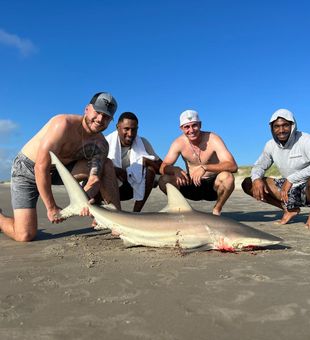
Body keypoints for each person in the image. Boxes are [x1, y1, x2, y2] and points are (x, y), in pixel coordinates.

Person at [0, 92, 121, 242]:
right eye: (97, 112)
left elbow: (94, 178)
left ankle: (117, 220)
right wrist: (51, 208)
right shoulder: (63, 125)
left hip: (60, 170)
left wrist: (85, 200)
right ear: (87, 109)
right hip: (28, 171)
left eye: (106, 116)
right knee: (25, 235)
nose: (100, 119)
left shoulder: (101, 145)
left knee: (107, 165)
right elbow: (40, 167)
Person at [159, 109, 238, 215]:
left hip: (213, 186)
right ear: (181, 128)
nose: (191, 130)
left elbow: (233, 166)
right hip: (191, 184)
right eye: (187, 127)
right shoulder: (178, 143)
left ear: (200, 125)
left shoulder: (213, 139)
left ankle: (217, 210)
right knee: (164, 180)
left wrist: (205, 167)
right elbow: (162, 167)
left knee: (228, 178)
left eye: (194, 125)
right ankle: (181, 209)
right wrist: (174, 169)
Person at [242, 108, 310, 227]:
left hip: (306, 186)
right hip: (288, 190)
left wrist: (292, 179)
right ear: (272, 128)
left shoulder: (305, 140)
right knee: (248, 183)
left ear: (292, 125)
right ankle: (288, 209)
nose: (281, 130)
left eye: (285, 125)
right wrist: (256, 179)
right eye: (276, 126)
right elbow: (259, 165)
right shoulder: (270, 145)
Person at [106, 111, 162, 212]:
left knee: (150, 170)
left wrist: (147, 161)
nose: (130, 134)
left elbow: (161, 168)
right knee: (103, 171)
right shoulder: (105, 143)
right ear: (117, 127)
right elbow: (94, 168)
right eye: (126, 129)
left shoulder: (143, 143)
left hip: (132, 187)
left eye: (134, 129)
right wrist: (117, 171)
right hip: (109, 188)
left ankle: (136, 214)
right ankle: (104, 213)